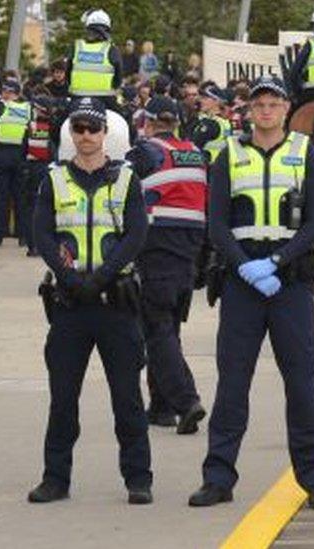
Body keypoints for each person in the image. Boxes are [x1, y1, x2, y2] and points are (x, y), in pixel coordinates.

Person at [189, 75, 314, 510]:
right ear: (249, 111)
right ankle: (218, 478)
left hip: (288, 283)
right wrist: (246, 267)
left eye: (273, 103)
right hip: (242, 282)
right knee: (233, 384)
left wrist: (275, 263)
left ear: (287, 108)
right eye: (259, 105)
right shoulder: (228, 155)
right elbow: (216, 223)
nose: (266, 111)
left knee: (305, 384)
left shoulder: (304, 153)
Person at [28, 97, 151, 504]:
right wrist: (69, 278)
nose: (85, 136)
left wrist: (99, 277)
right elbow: (41, 234)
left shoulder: (127, 179)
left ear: (105, 134)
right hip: (70, 305)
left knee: (127, 398)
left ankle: (138, 479)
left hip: (115, 302)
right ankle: (55, 479)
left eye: (92, 129)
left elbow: (136, 235)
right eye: (78, 128)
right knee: (63, 399)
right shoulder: (53, 179)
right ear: (71, 134)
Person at [125, 96, 208, 434]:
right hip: (189, 249)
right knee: (169, 329)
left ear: (148, 121)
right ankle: (160, 407)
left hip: (157, 246)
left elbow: (120, 189)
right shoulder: (196, 152)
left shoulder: (145, 151)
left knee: (156, 330)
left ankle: (186, 401)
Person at [65, 9, 123, 112]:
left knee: (58, 124)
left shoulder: (76, 47)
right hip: (105, 102)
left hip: (77, 100)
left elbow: (67, 74)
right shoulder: (112, 49)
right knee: (125, 121)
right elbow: (118, 79)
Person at [21, 94, 56, 256]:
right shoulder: (57, 126)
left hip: (34, 170)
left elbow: (24, 150)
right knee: (50, 208)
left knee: (31, 208)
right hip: (51, 170)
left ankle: (32, 245)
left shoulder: (32, 127)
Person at [0, 79, 29, 246]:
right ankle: (22, 235)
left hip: (2, 154)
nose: (5, 94)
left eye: (7, 91)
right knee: (20, 197)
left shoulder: (1, 107)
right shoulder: (26, 108)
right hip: (21, 155)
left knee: (2, 197)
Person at [190, 82, 234, 163]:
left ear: (216, 101)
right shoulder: (225, 122)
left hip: (208, 166)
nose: (201, 101)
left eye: (205, 98)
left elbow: (193, 146)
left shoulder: (209, 124)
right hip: (221, 165)